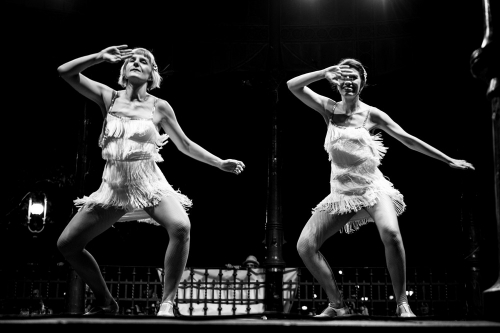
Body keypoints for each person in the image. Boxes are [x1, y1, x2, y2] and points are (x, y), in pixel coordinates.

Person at [56, 45, 245, 317]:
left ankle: (167, 302)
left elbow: (185, 144)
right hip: (113, 186)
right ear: (122, 71)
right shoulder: (108, 97)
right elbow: (65, 72)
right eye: (130, 60)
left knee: (181, 226)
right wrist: (98, 57)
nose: (135, 62)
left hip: (148, 181)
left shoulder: (159, 106)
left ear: (151, 73)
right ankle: (105, 301)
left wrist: (219, 162)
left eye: (143, 61)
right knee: (67, 245)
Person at [287, 58, 474, 318]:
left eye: (353, 77)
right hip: (342, 194)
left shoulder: (372, 113)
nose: (347, 81)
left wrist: (448, 160)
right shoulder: (328, 109)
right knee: (305, 245)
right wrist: (322, 72)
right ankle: (337, 304)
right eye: (343, 77)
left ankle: (402, 304)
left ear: (362, 83)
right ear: (336, 83)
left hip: (373, 189)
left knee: (391, 233)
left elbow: (408, 139)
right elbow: (292, 86)